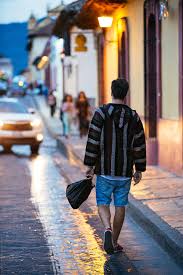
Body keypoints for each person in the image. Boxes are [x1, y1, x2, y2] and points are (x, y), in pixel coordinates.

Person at [84, 78, 146, 255]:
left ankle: (107, 229)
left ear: (112, 91)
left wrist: (89, 165)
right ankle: (115, 242)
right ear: (126, 94)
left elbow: (93, 140)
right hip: (125, 171)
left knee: (102, 203)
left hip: (104, 170)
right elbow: (139, 144)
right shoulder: (134, 116)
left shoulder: (101, 113)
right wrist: (139, 169)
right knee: (121, 205)